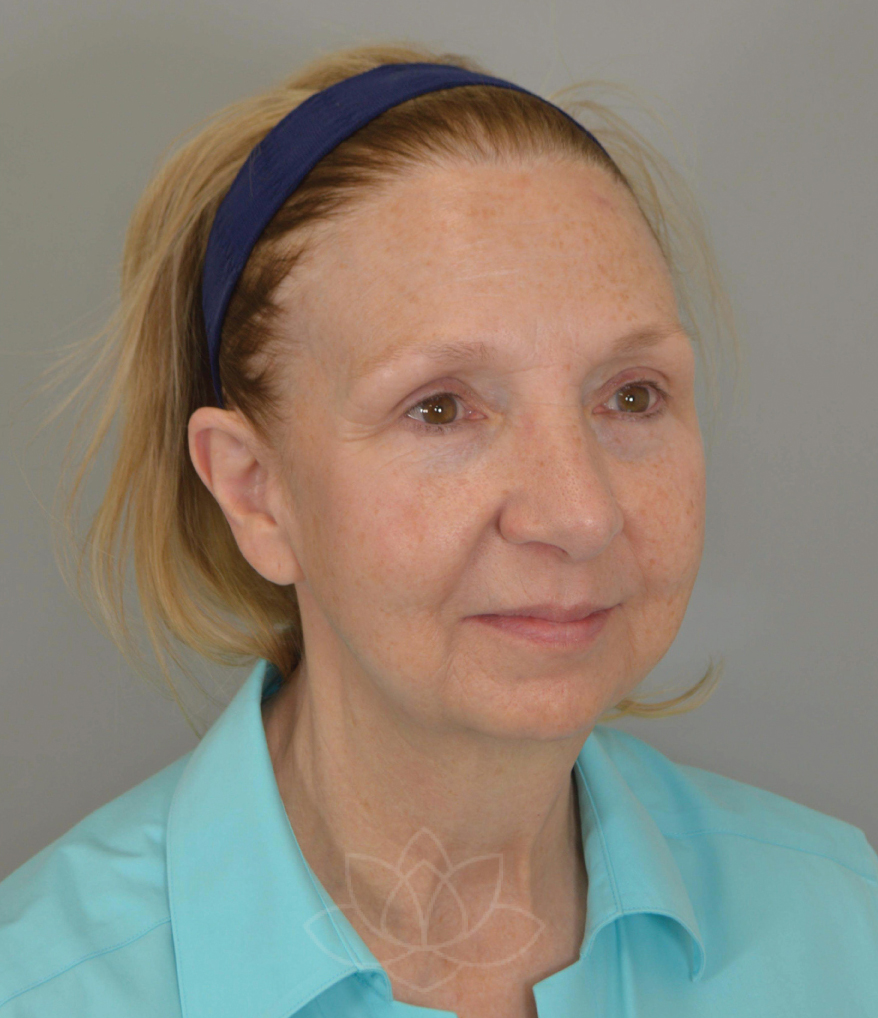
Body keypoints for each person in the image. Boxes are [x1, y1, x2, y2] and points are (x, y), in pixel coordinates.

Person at [0, 40, 876, 1018]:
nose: (579, 514)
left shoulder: (843, 930)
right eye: (441, 409)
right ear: (255, 492)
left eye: (631, 395)